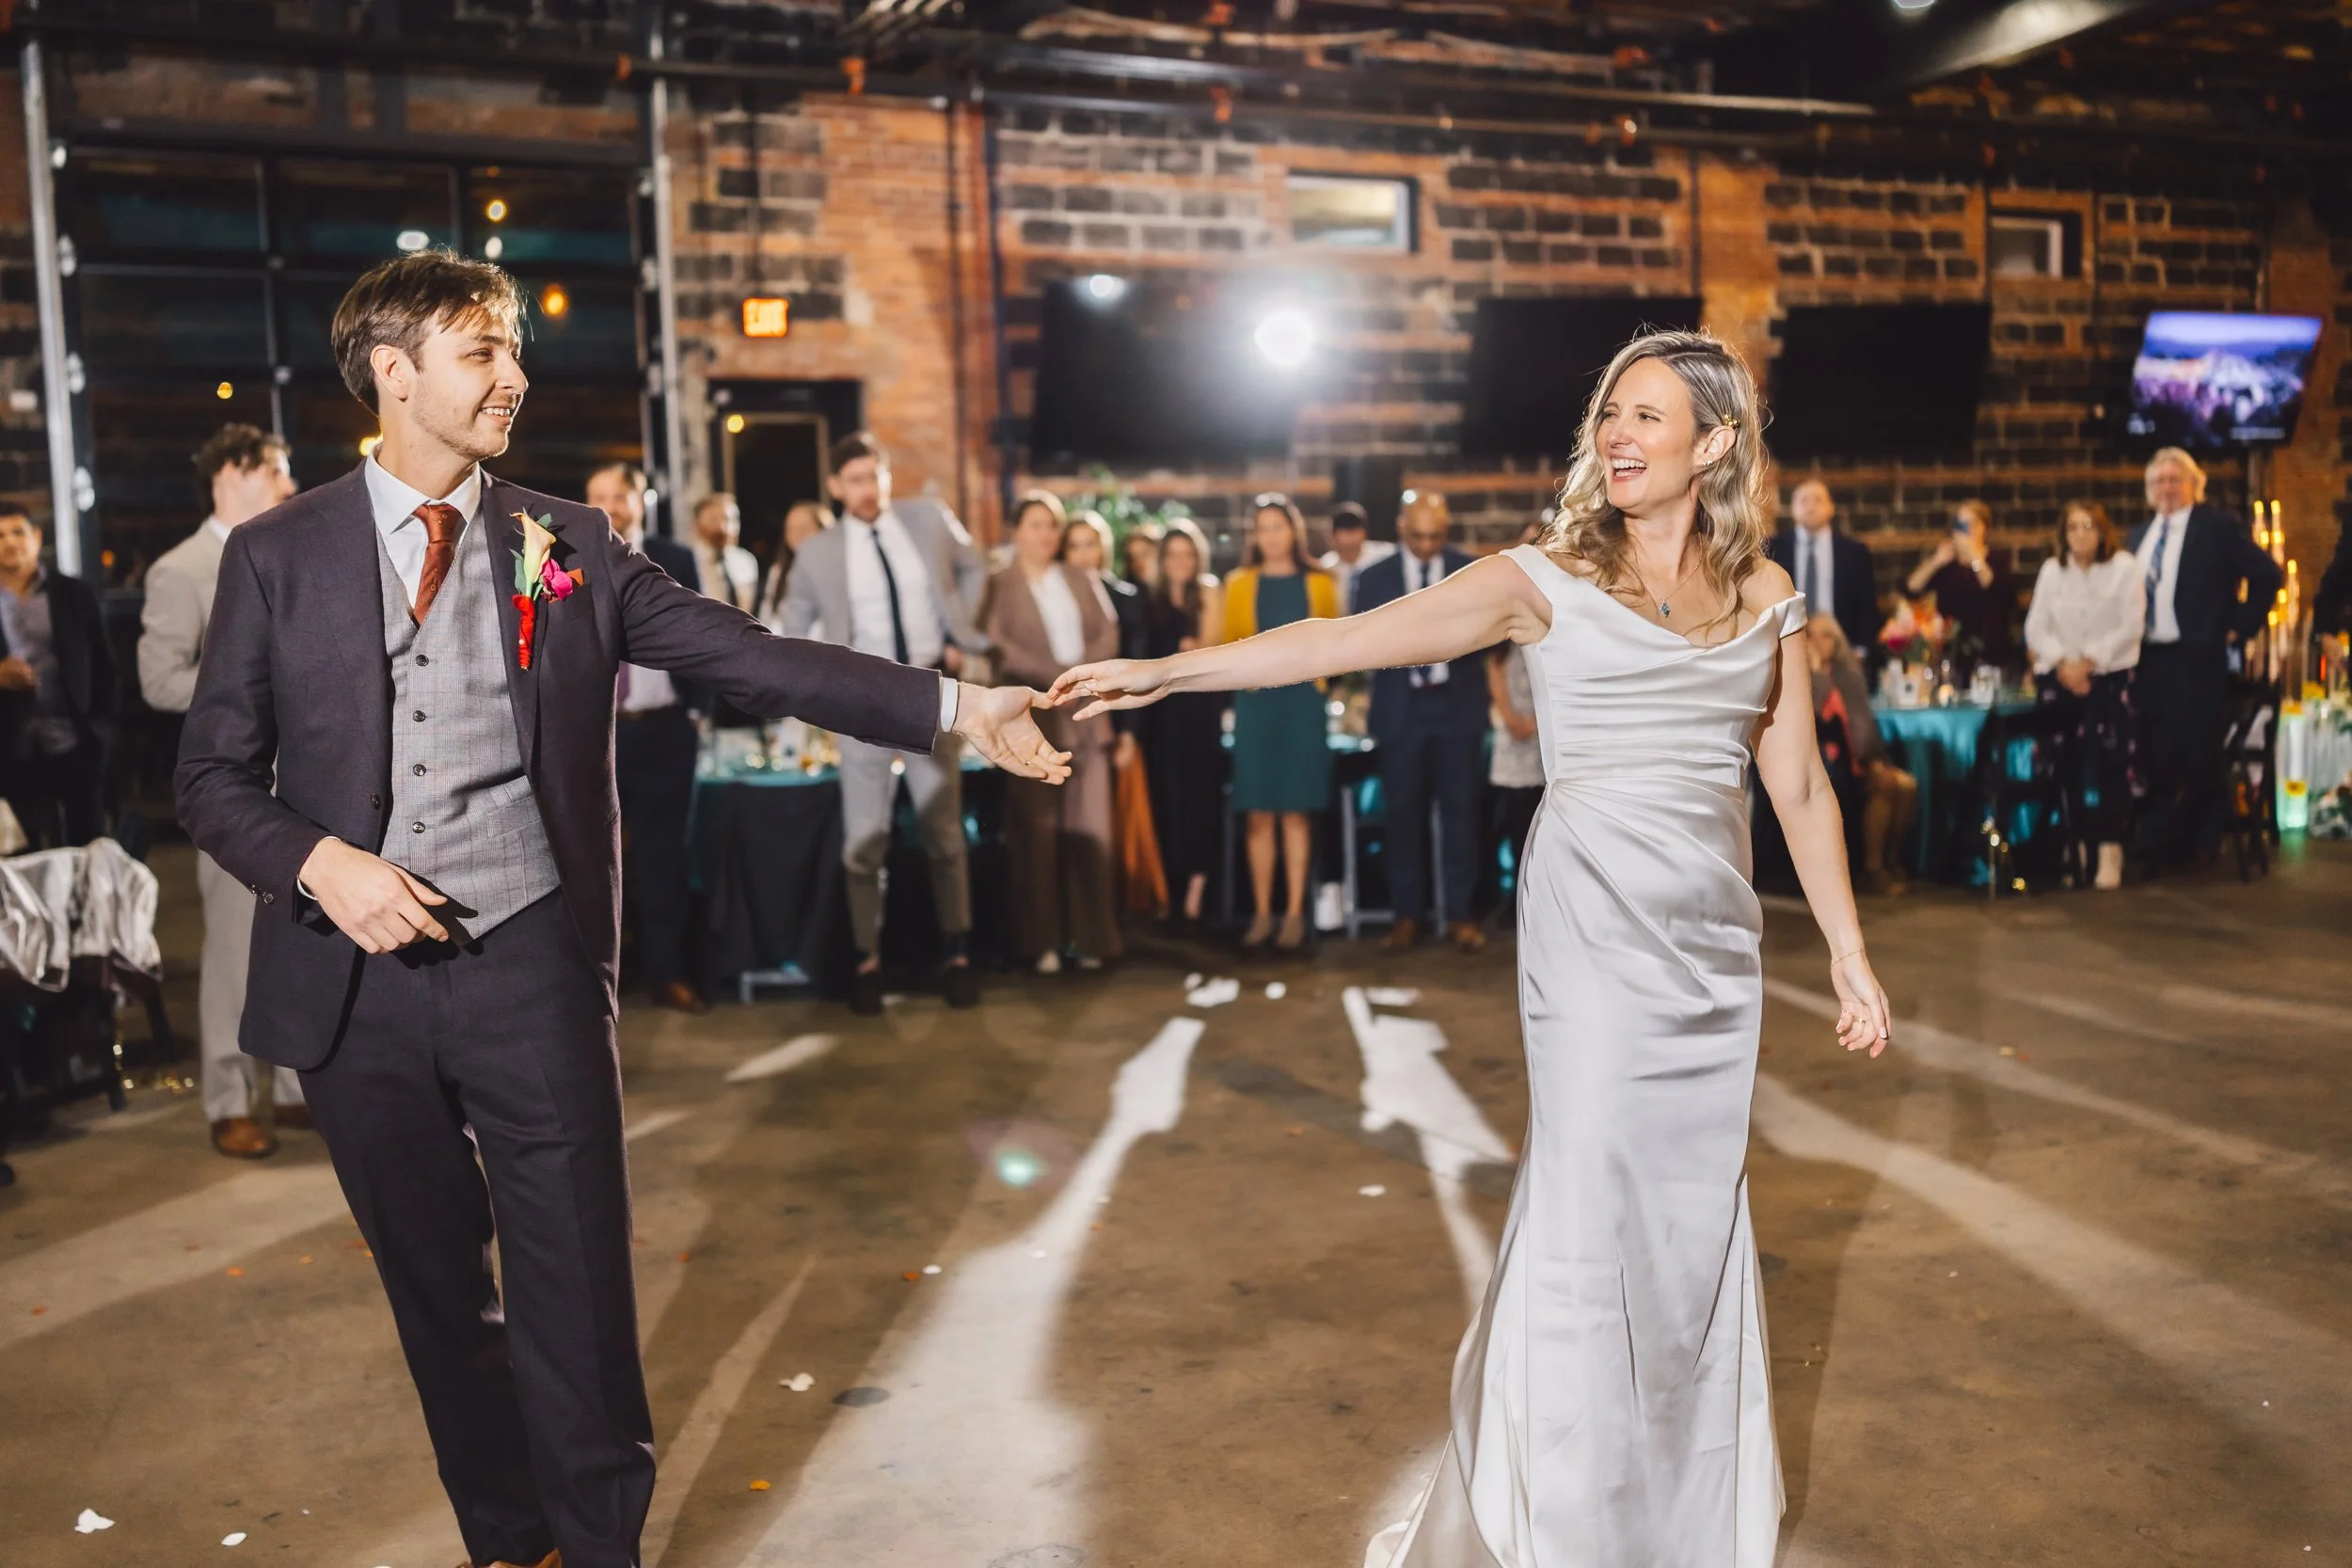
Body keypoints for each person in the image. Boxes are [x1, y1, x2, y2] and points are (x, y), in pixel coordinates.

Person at [173, 249, 1065, 1568]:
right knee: (435, 1293)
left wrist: (956, 707)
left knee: (575, 1286)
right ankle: (508, 1536)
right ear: (394, 371)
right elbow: (207, 778)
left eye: (513, 350)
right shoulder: (273, 555)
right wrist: (321, 862)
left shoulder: (567, 542)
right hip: (353, 988)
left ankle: (601, 1548)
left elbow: (751, 653)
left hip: (529, 953)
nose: (515, 377)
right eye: (484, 352)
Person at [1050, 328, 1891, 1566]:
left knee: (1688, 1227)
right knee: (1586, 1208)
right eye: (1611, 408)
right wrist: (1168, 671)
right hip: (1593, 934)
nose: (1617, 430)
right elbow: (1340, 639)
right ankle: (1560, 1518)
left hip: (1717, 958)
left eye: (1649, 415)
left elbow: (1802, 793)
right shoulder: (1538, 579)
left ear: (1716, 442)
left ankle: (1678, 1516)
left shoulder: (1767, 599)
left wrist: (1851, 955)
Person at [778, 432, 993, 1013]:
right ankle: (867, 961)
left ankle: (958, 954)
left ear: (887, 477)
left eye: (875, 477)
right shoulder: (819, 551)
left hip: (931, 689)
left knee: (945, 833)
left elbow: (977, 568)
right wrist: (815, 684)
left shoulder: (927, 519)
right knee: (864, 840)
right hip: (860, 701)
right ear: (834, 487)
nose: (867, 490)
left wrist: (959, 634)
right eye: (854, 480)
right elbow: (790, 626)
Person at [139, 423, 308, 1160]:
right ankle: (229, 1099)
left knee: (306, 942)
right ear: (231, 472)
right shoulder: (182, 569)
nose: (288, 485)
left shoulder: (287, 549)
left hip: (304, 784)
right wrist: (250, 695)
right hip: (235, 790)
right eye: (275, 470)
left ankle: (301, 1089)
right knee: (235, 952)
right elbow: (158, 679)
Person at [588, 462, 709, 1013]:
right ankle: (600, 983)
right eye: (599, 496)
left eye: (620, 495)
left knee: (664, 859)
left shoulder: (675, 559)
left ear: (643, 500)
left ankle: (669, 974)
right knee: (594, 861)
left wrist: (697, 713)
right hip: (597, 738)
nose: (610, 505)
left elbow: (705, 633)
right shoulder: (567, 557)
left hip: (664, 734)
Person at [983, 494, 1121, 972]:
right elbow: (999, 643)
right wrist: (1057, 674)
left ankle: (1090, 939)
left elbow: (1108, 631)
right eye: (1036, 524)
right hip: (1032, 718)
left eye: (1052, 526)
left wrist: (1081, 676)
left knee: (1091, 829)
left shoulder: (1080, 578)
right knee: (1035, 834)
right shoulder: (999, 584)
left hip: (1086, 713)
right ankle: (1041, 941)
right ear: (1016, 530)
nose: (1045, 534)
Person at [2129, 447, 2282, 871]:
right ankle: (2158, 842)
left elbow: (2268, 576)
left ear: (2195, 485)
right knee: (2154, 753)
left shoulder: (2216, 528)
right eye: (2159, 481)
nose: (2167, 488)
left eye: (2175, 480)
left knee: (2198, 751)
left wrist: (2236, 626)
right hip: (2148, 659)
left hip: (2196, 659)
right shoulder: (2138, 538)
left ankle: (2199, 841)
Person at [1350, 490, 1490, 953]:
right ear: (1401, 527)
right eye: (1419, 535)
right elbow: (1362, 644)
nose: (1428, 545)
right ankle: (1406, 916)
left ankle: (1461, 915)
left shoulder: (1473, 572)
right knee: (1402, 817)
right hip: (1401, 711)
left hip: (1458, 708)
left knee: (1462, 817)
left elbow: (1491, 640)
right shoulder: (1373, 578)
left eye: (1437, 535)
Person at [1223, 494, 1343, 951]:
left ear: (1294, 531)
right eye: (1262, 527)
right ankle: (1261, 912)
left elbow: (1339, 646)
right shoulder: (1238, 584)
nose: (1271, 535)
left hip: (1302, 707)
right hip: (1256, 708)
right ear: (1254, 535)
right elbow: (1226, 646)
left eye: (1278, 526)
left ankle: (1294, 913)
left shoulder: (1319, 583)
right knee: (1257, 814)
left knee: (1296, 812)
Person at [2024, 500, 2145, 891]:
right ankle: (2071, 846)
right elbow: (2036, 627)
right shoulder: (2051, 571)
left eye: (2088, 526)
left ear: (2102, 530)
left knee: (2110, 763)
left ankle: (2110, 848)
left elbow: (2130, 625)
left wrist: (2089, 662)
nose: (2080, 534)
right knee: (2063, 764)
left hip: (2107, 677)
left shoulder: (2124, 568)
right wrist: (2065, 664)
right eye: (2073, 527)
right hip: (2060, 677)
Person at [0, 507, 118, 849]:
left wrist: (102, 733)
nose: (9, 543)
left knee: (89, 850)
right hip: (10, 748)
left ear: (36, 538)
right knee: (23, 857)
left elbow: (104, 668)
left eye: (18, 532)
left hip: (74, 740)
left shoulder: (72, 594)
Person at [1140, 518, 1225, 934]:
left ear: (1197, 558)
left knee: (1199, 800)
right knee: (1165, 800)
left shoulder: (1208, 591)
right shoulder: (1150, 600)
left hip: (1198, 714)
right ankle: (1168, 893)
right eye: (1172, 554)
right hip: (1160, 717)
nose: (1179, 561)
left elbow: (1210, 649)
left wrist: (1179, 661)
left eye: (1187, 554)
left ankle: (1195, 895)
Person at [1804, 612, 1919, 894]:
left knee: (1906, 786)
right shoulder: (1804, 677)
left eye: (1826, 635)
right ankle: (1872, 870)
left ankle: (1889, 861)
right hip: (1830, 763)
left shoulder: (1849, 677)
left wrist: (1876, 760)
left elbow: (1864, 725)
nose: (1819, 641)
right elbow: (1815, 716)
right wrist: (1817, 671)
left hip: (1860, 758)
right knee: (1884, 786)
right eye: (1812, 634)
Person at [1770, 479, 1879, 655]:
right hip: (1788, 648)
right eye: (1804, 500)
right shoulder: (1773, 548)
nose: (1811, 506)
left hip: (1842, 649)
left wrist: (1860, 651)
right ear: (1792, 508)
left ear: (1831, 507)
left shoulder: (1855, 552)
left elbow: (1867, 605)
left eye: (1818, 500)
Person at [1904, 498, 2014, 664]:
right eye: (1959, 525)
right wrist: (1935, 562)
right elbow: (1911, 589)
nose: (1963, 531)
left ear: (1983, 528)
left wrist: (1975, 560)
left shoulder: (1997, 560)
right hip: (1951, 650)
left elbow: (2001, 596)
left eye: (1969, 524)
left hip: (1989, 649)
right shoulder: (1947, 564)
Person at [757, 499, 832, 627]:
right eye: (790, 528)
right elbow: (767, 616)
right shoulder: (778, 571)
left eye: (804, 527)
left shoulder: (836, 571)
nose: (796, 533)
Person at [690, 491, 761, 612]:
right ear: (696, 525)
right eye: (714, 520)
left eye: (729, 520)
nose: (723, 527)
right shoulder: (688, 562)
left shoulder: (746, 561)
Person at [1320, 499, 1395, 613]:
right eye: (1344, 530)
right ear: (1332, 536)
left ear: (1364, 532)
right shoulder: (1326, 567)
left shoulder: (1383, 557)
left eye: (1354, 529)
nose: (1351, 536)